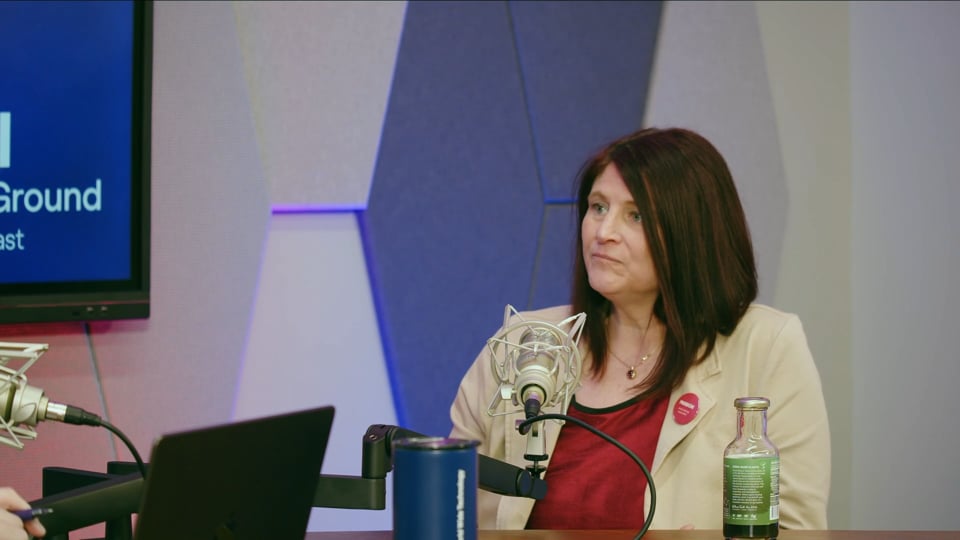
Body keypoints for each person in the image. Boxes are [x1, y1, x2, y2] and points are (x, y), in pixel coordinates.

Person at [449, 127, 830, 530]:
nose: (603, 232)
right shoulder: (522, 341)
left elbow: (797, 529)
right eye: (598, 207)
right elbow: (447, 504)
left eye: (635, 215)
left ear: (693, 232)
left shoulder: (766, 347)